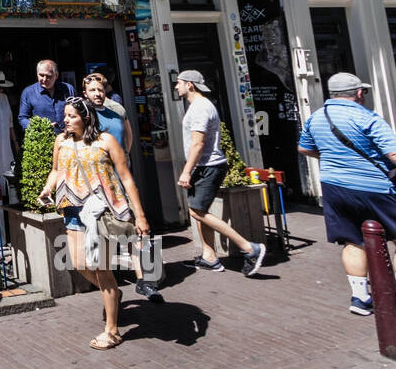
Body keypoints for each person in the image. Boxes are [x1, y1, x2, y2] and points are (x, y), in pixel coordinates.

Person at [297, 72, 396, 324]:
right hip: (373, 188)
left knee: (352, 241)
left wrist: (336, 160)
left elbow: (304, 147)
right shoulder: (366, 117)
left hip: (335, 188)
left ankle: (360, 298)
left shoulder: (316, 118)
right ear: (359, 93)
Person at [37, 97, 151, 349]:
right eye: (65, 115)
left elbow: (126, 178)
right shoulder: (61, 141)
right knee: (78, 263)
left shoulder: (105, 141)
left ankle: (112, 330)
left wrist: (139, 214)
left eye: (71, 116)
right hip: (73, 208)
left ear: (86, 118)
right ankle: (113, 293)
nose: (65, 120)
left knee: (101, 267)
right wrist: (47, 188)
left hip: (101, 209)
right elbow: (56, 170)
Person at [175, 70, 267, 276]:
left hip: (207, 166)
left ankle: (250, 248)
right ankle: (210, 257)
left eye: (178, 83)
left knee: (196, 211)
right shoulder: (199, 106)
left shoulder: (200, 108)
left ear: (190, 85)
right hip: (206, 166)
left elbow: (198, 143)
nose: (176, 86)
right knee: (201, 211)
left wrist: (186, 171)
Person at [83, 73, 160, 301]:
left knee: (132, 228)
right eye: (92, 90)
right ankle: (110, 288)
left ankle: (144, 280)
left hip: (118, 180)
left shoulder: (115, 112)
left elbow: (128, 138)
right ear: (85, 93)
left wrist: (121, 161)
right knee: (102, 233)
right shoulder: (84, 117)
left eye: (100, 89)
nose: (97, 94)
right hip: (96, 185)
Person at [18, 59, 75, 133]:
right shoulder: (28, 92)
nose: (44, 79)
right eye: (41, 75)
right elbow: (23, 118)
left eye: (49, 76)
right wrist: (40, 127)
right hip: (42, 139)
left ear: (56, 75)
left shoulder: (68, 89)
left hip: (68, 137)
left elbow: (76, 112)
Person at [0, 70, 19, 204]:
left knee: (8, 167)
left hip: (6, 141)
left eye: (1, 88)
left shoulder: (4, 98)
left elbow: (10, 122)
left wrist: (15, 142)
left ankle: (9, 198)